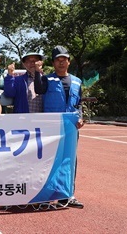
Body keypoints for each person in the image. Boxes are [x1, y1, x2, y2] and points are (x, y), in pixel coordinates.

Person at [34, 45, 84, 208]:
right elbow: (38, 89)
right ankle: (46, 195)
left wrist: (81, 118)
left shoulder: (77, 81)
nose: (61, 63)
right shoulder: (47, 80)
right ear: (53, 63)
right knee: (50, 160)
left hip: (71, 127)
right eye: (58, 60)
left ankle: (67, 195)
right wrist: (37, 72)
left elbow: (79, 103)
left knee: (69, 161)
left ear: (69, 62)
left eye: (64, 60)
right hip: (52, 127)